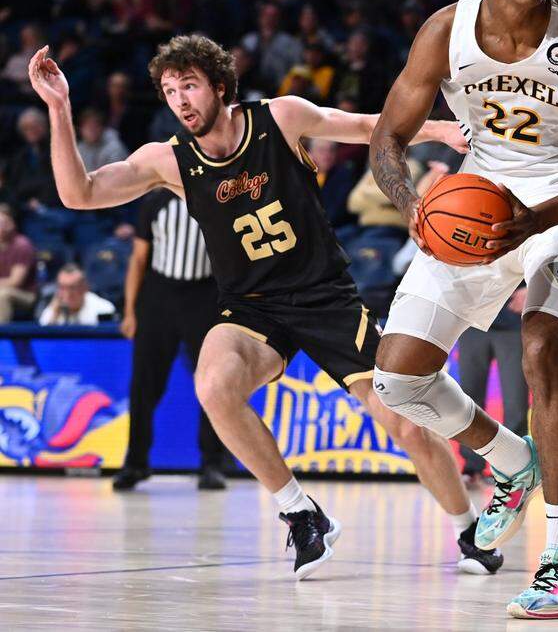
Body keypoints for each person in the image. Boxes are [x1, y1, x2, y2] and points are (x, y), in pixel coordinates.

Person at [26, 34, 497, 580]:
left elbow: (366, 126)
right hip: (252, 307)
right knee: (213, 385)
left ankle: (468, 529)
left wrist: (437, 129)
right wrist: (58, 108)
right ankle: (300, 512)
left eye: (191, 86)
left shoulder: (281, 117)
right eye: (169, 90)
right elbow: (78, 194)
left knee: (406, 426)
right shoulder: (169, 162)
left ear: (219, 86)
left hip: (326, 297)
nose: (180, 100)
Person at [367, 0, 558, 619]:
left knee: (543, 349)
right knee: (395, 383)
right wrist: (413, 205)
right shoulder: (443, 31)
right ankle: (511, 461)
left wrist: (538, 218)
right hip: (476, 201)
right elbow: (388, 138)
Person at [114, 189, 228, 491]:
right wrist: (129, 311)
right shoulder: (154, 201)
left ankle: (212, 463)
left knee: (212, 384)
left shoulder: (217, 197)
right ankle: (135, 462)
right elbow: (138, 259)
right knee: (143, 385)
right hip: (158, 295)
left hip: (205, 295)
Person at [457, 289, 528, 483]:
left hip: (514, 321)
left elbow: (547, 261)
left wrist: (535, 287)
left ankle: (515, 469)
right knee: (469, 400)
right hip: (473, 320)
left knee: (516, 400)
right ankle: (472, 466)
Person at [38, 264, 117, 325]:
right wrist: (54, 314)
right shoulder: (53, 308)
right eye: (62, 287)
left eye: (72, 288)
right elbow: (42, 341)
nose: (66, 294)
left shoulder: (103, 309)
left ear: (85, 288)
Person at [0, 204, 37, 323]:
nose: (1, 226)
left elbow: (15, 281)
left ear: (12, 224)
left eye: (4, 222)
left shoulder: (22, 245)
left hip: (26, 294)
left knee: (3, 295)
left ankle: (2, 337)